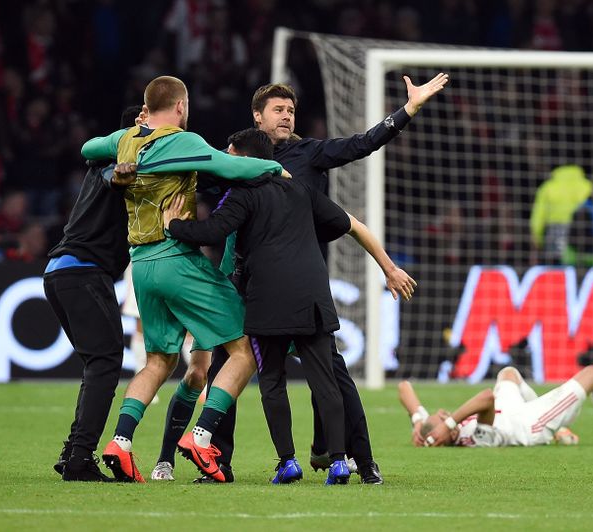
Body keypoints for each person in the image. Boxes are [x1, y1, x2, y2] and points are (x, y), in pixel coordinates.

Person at [197, 74, 447, 484]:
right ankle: (218, 463)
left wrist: (409, 110)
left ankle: (362, 461)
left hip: (299, 282)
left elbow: (363, 143)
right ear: (257, 117)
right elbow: (196, 175)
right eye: (277, 110)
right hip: (249, 281)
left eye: (291, 110)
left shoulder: (309, 154)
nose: (286, 116)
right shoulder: (237, 158)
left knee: (333, 374)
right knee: (226, 365)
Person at [162, 128, 416, 484]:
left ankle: (288, 462)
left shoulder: (243, 193)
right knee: (326, 381)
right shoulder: (301, 189)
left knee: (272, 381)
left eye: (230, 154)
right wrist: (387, 267)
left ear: (242, 158)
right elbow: (347, 225)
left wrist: (172, 225)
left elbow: (211, 233)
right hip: (313, 295)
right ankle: (341, 462)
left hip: (268, 301)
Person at [80, 75, 286, 483]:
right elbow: (231, 166)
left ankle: (119, 441)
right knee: (243, 348)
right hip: (176, 258)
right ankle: (201, 434)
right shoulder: (183, 140)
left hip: (141, 265)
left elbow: (88, 148)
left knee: (159, 360)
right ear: (180, 106)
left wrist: (129, 133)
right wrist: (277, 166)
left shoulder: (127, 140)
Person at [45, 106, 138, 481]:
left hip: (63, 271)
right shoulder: (110, 160)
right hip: (82, 273)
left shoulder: (103, 160)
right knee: (105, 361)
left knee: (97, 363)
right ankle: (81, 458)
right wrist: (119, 175)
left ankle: (73, 452)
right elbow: (111, 176)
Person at [399, 366, 593, 448]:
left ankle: (562, 431)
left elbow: (404, 388)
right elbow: (487, 397)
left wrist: (418, 422)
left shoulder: (431, 430)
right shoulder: (477, 438)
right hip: (531, 422)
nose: (444, 413)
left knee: (508, 373)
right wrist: (450, 422)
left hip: (508, 410)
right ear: (449, 434)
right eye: (443, 417)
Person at [529, 164, 593, 265]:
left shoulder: (548, 187)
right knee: (577, 264)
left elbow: (538, 216)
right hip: (579, 231)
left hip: (554, 232)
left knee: (553, 266)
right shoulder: (587, 185)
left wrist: (537, 238)